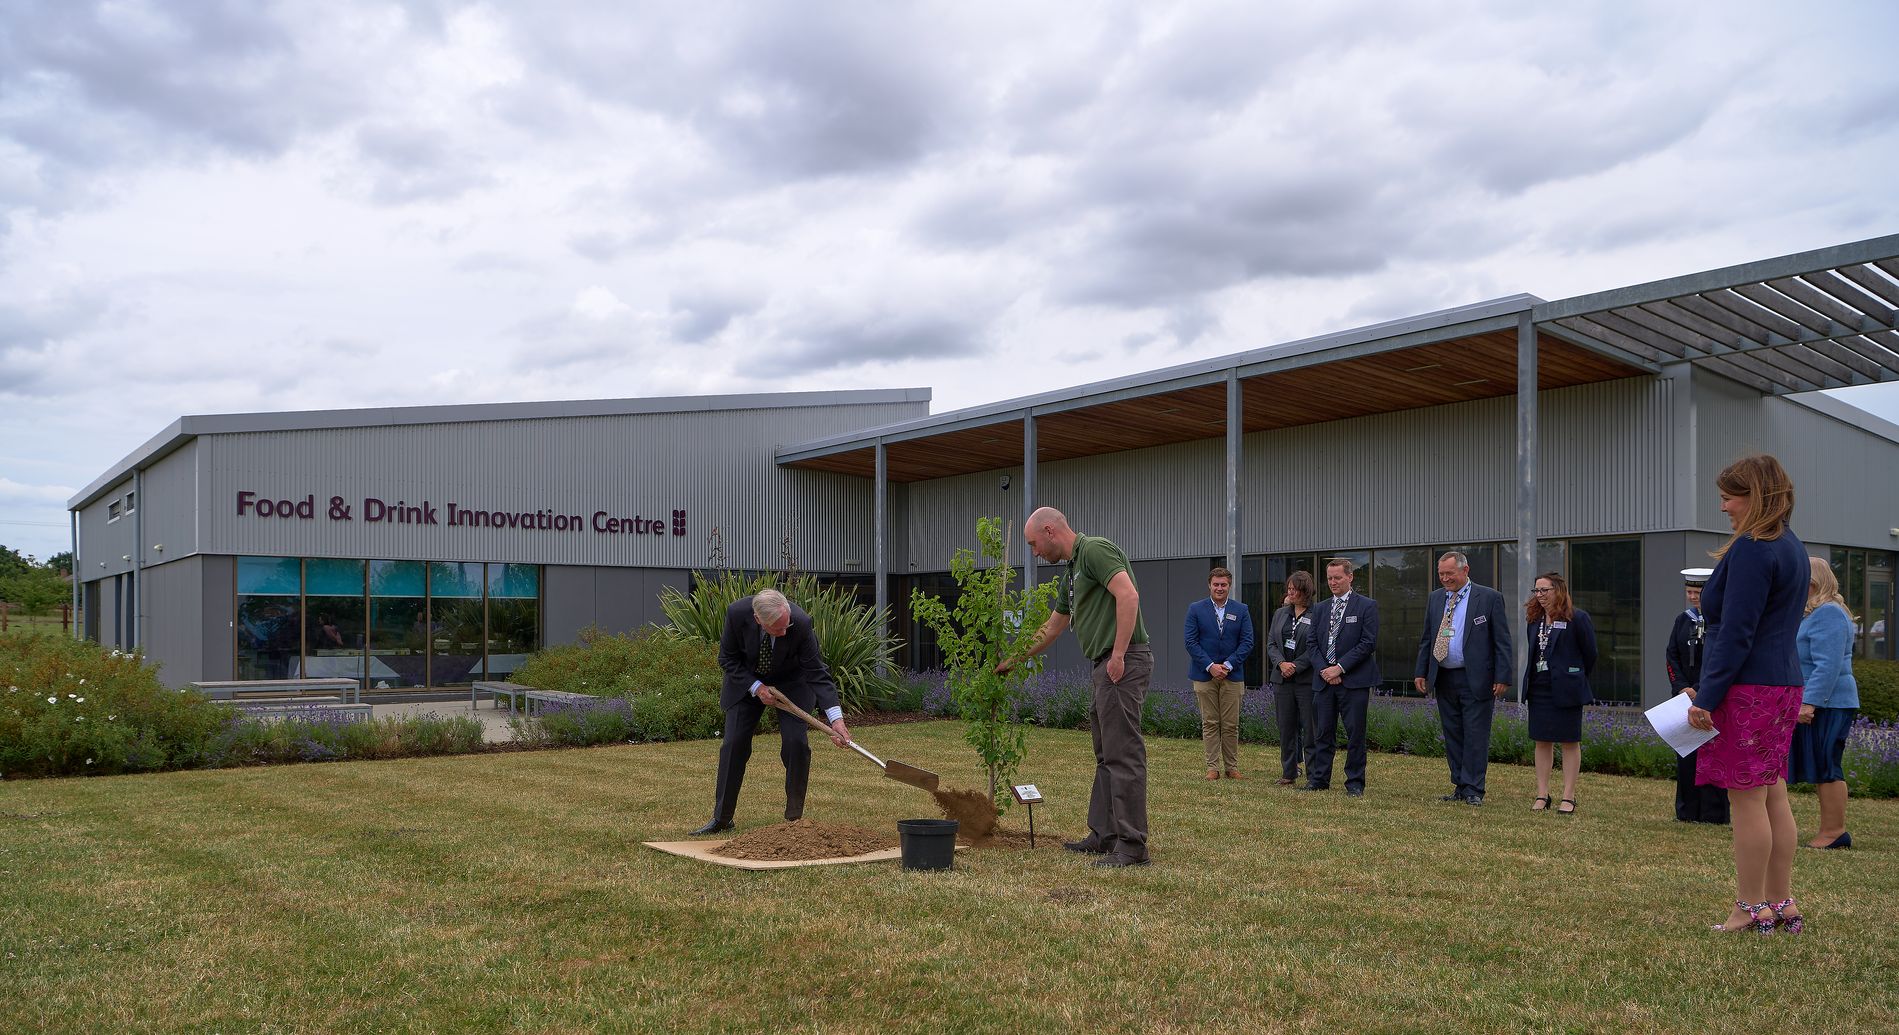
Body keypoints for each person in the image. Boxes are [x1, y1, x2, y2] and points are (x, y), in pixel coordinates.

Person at [1685, 454, 1809, 935]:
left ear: (1754, 496)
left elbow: (1736, 632)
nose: (1723, 507)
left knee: (1747, 801)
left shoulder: (1755, 549)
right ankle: (1781, 903)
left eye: (1729, 496)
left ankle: (1750, 906)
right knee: (1773, 791)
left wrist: (1707, 696)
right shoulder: (1793, 547)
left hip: (1749, 689)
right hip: (1782, 685)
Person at [998, 507, 1153, 868]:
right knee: (1105, 754)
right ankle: (1104, 835)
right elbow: (1053, 627)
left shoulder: (1095, 551)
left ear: (1050, 531)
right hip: (1104, 665)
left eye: (1034, 544)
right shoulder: (1073, 571)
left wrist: (1117, 656)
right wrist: (1013, 658)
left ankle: (1132, 846)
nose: (1034, 552)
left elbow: (1128, 596)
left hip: (1122, 662)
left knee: (1123, 754)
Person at [693, 589, 852, 835]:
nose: (786, 632)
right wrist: (757, 688)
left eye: (787, 625)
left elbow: (817, 672)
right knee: (733, 744)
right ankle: (722, 819)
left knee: (795, 743)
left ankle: (794, 820)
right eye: (778, 629)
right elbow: (727, 659)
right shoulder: (737, 614)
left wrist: (836, 720)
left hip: (792, 684)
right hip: (748, 684)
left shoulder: (799, 621)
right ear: (759, 620)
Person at [1413, 551, 1512, 806]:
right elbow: (1427, 638)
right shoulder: (1436, 599)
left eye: (1450, 574)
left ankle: (1474, 788)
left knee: (1476, 734)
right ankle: (1459, 784)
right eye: (1442, 574)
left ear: (1465, 570)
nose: (1445, 579)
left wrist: (1503, 676)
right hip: (1444, 676)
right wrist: (1421, 671)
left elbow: (1502, 641)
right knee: (1453, 733)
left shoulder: (1489, 598)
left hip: (1477, 678)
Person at [1790, 556, 1858, 851]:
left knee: (1827, 765)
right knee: (1821, 764)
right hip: (1821, 702)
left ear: (1812, 583)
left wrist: (1809, 703)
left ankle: (1834, 832)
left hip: (1829, 704)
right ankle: (1832, 830)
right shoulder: (1813, 613)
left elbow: (1827, 666)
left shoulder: (1828, 613)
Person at [1301, 558, 1379, 797]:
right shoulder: (1321, 608)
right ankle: (1319, 779)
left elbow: (1368, 643)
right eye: (1330, 578)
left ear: (1350, 577)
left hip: (1353, 682)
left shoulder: (1366, 606)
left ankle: (1354, 782)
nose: (1333, 582)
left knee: (1355, 734)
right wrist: (1325, 669)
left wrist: (1340, 668)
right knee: (1322, 733)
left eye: (1338, 578)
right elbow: (1312, 643)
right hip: (1324, 682)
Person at [1523, 573, 1596, 814]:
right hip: (1539, 688)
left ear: (1559, 590)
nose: (1540, 595)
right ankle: (1542, 794)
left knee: (1568, 741)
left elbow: (1590, 654)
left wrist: (1573, 674)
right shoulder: (1534, 619)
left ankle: (1568, 796)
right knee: (1541, 740)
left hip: (1567, 688)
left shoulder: (1578, 618)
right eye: (1536, 591)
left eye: (1545, 590)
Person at [1666, 568, 1729, 824]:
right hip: (1685, 697)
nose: (1693, 597)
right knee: (1686, 754)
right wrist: (1682, 686)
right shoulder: (1683, 620)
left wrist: (1703, 688)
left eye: (1698, 592)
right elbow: (1672, 656)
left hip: (1712, 695)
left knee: (1714, 754)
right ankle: (1687, 810)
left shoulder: (1722, 620)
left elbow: (1722, 660)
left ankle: (1713, 813)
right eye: (1689, 592)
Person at [1185, 566, 1255, 780]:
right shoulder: (1195, 609)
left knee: (1231, 724)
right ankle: (1212, 767)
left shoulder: (1241, 610)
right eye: (1216, 584)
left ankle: (1231, 767)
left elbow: (1247, 642)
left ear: (1229, 586)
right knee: (1210, 722)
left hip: (1232, 675)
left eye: (1223, 584)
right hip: (1204, 674)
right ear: (1209, 585)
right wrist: (1211, 666)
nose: (1219, 588)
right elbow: (1190, 641)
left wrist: (1228, 664)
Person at [1266, 571, 1317, 786]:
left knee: (1311, 730)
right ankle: (1289, 772)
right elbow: (1271, 644)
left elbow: (1318, 646)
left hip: (1306, 681)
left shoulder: (1318, 613)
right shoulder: (1280, 613)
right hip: (1282, 680)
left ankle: (1315, 774)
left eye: (1294, 588)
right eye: (1288, 588)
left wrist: (1296, 666)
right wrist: (1281, 664)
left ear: (1305, 590)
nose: (1290, 592)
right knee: (1286, 728)